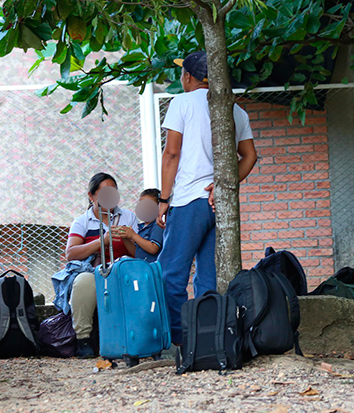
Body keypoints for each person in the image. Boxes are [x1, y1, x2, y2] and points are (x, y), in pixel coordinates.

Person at [157, 51, 257, 344]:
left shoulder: (182, 103)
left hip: (190, 201)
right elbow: (250, 156)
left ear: (187, 76)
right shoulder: (235, 110)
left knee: (171, 273)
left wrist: (164, 199)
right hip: (219, 203)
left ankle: (179, 341)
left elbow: (172, 153)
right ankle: (207, 341)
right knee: (208, 278)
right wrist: (223, 184)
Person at [59, 172, 138, 358]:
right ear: (92, 196)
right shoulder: (82, 221)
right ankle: (83, 339)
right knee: (84, 281)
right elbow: (71, 254)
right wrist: (101, 241)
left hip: (122, 271)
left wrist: (128, 237)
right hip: (95, 273)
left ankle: (135, 335)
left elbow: (138, 253)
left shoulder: (127, 217)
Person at [116, 189, 163, 263]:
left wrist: (133, 235)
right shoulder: (140, 227)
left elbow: (153, 249)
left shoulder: (157, 225)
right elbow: (136, 253)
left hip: (153, 270)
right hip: (142, 268)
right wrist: (125, 237)